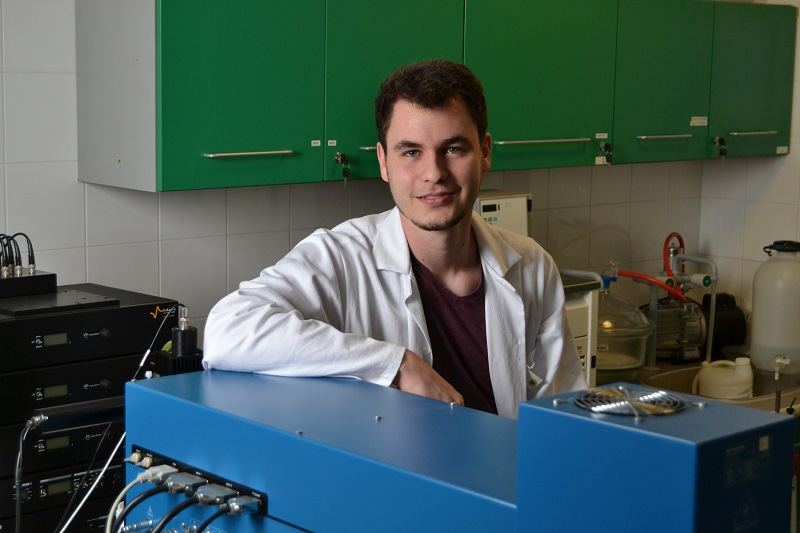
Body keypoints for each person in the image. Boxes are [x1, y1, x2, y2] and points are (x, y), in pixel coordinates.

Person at [202, 59, 586, 418]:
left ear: (484, 152)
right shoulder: (342, 256)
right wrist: (395, 365)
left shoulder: (532, 265)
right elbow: (228, 330)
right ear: (384, 161)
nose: (433, 173)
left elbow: (564, 414)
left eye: (453, 148)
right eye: (411, 152)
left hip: (503, 483)